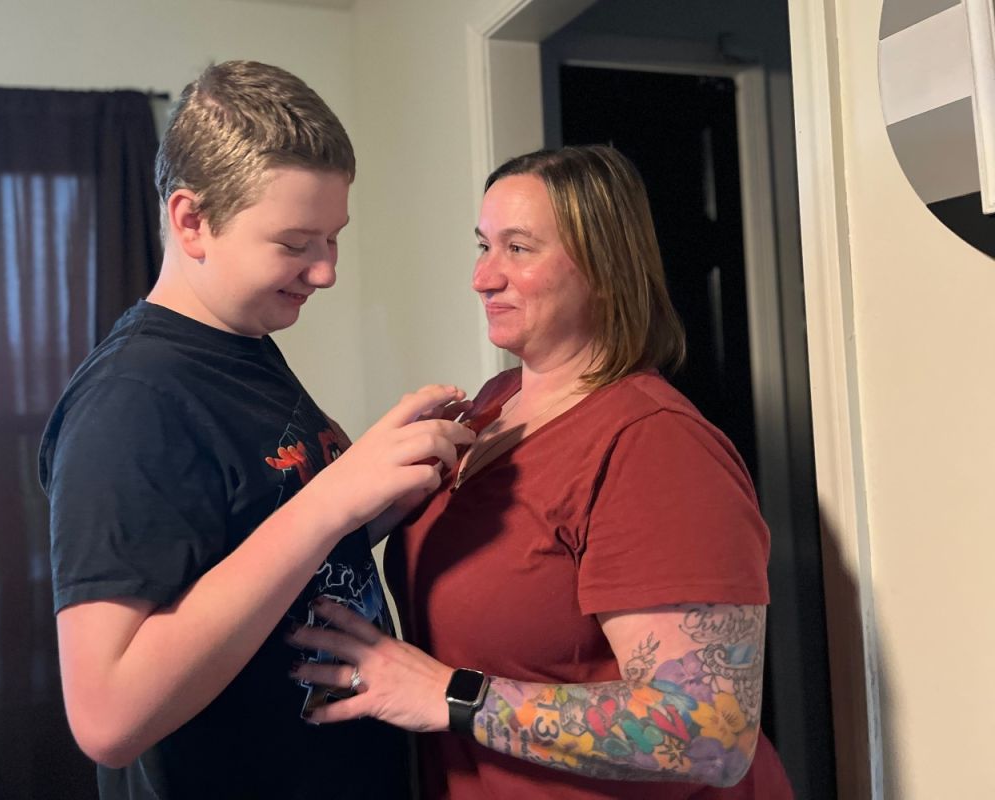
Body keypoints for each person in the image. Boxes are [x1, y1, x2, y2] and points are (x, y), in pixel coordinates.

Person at [288, 145, 794, 799]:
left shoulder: (656, 446)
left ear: (606, 270)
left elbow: (708, 733)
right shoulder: (492, 404)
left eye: (519, 249)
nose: (482, 277)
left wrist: (446, 694)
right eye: (483, 245)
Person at [38, 60, 475, 799]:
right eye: (296, 243)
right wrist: (333, 498)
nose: (327, 271)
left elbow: (253, 551)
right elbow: (106, 718)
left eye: (333, 238)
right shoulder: (129, 402)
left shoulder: (244, 344)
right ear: (191, 220)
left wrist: (384, 487)